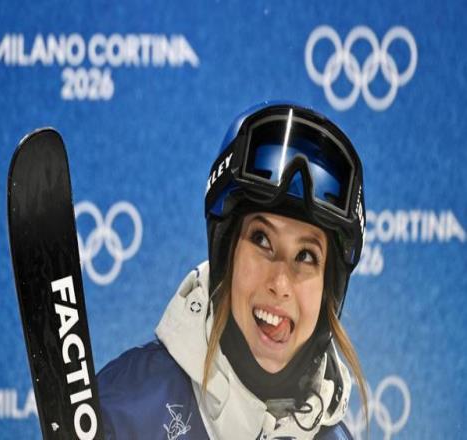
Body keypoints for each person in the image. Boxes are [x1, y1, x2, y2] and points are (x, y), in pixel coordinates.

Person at [97, 102, 368, 439]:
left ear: (329, 288)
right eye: (261, 239)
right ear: (227, 254)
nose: (280, 283)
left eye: (306, 256)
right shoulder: (125, 410)